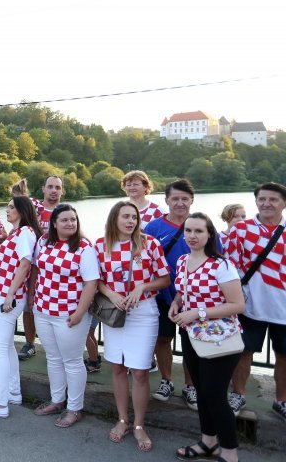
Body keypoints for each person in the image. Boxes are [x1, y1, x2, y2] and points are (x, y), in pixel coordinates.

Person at [95, 201, 171, 451]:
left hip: (144, 313)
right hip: (115, 313)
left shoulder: (149, 243)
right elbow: (97, 280)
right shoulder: (100, 245)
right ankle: (122, 419)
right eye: (125, 217)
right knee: (117, 367)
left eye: (134, 217)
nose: (130, 221)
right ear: (114, 218)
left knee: (139, 371)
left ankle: (139, 424)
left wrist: (142, 287)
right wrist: (112, 294)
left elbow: (164, 278)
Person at [170, 213, 245, 462]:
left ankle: (230, 451)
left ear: (209, 234)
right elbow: (184, 291)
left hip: (220, 338)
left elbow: (237, 305)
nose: (192, 236)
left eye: (198, 231)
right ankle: (208, 442)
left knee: (214, 394)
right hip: (193, 336)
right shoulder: (182, 261)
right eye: (188, 231)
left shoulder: (221, 265)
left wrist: (197, 313)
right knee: (201, 391)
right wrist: (176, 303)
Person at [32, 204, 99, 428]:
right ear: (54, 223)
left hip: (69, 314)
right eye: (65, 220)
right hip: (43, 310)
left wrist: (80, 312)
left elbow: (91, 283)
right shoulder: (43, 242)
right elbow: (36, 270)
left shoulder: (84, 248)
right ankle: (57, 400)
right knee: (53, 357)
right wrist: (34, 302)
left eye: (73, 220)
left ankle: (74, 408)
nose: (70, 223)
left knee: (72, 361)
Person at [0, 196, 42, 418]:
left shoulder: (24, 233)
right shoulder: (17, 234)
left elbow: (25, 264)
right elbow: (8, 264)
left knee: (0, 348)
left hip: (9, 296)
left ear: (22, 211)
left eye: (12, 207)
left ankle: (1, 403)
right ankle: (13, 392)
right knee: (8, 346)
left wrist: (10, 294)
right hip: (6, 294)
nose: (7, 210)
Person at [228, 182, 286, 420]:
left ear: (283, 203)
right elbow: (230, 268)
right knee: (243, 352)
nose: (266, 204)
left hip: (283, 308)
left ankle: (281, 400)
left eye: (273, 199)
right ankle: (238, 394)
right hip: (250, 306)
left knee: (284, 356)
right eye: (262, 199)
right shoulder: (240, 230)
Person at [144, 179, 201, 408]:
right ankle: (167, 380)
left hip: (193, 297)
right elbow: (143, 261)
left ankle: (190, 386)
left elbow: (216, 258)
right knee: (163, 339)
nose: (179, 203)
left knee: (191, 343)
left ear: (191, 201)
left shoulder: (201, 225)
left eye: (184, 199)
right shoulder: (153, 228)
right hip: (161, 296)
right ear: (166, 200)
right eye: (175, 198)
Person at [19, 175, 65, 362]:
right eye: (50, 186)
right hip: (32, 265)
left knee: (58, 307)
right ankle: (30, 344)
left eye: (58, 187)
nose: (54, 190)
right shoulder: (34, 209)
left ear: (62, 191)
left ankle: (58, 347)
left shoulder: (65, 212)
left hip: (57, 268)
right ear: (43, 189)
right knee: (29, 305)